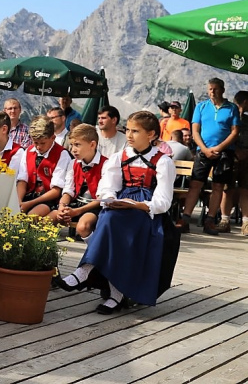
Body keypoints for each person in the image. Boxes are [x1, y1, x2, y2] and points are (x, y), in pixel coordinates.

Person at [57, 111, 178, 315]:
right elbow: (107, 187)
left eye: (135, 131)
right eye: (128, 130)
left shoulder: (163, 161)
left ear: (151, 135)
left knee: (115, 223)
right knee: (110, 218)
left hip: (147, 212)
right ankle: (104, 285)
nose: (129, 135)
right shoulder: (118, 157)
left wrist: (138, 205)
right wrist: (111, 199)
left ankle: (90, 275)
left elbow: (163, 201)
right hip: (121, 206)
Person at [177, 78, 240, 235]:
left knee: (218, 186)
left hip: (224, 152)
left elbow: (234, 131)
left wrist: (219, 148)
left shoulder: (232, 108)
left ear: (222, 90)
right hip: (203, 151)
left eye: (216, 89)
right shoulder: (201, 106)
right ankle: (185, 219)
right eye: (210, 89)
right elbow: (195, 130)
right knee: (195, 184)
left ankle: (210, 220)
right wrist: (204, 149)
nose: (212, 92)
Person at [16, 115, 73, 223]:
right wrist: (18, 201)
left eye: (42, 143)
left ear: (53, 138)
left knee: (31, 217)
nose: (38, 147)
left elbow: (56, 191)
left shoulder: (62, 154)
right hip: (29, 195)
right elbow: (23, 180)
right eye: (35, 142)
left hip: (48, 199)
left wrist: (29, 203)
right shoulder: (28, 151)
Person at [57, 124, 107, 240]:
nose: (73, 149)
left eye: (77, 145)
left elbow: (101, 198)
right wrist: (62, 207)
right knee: (49, 218)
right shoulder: (73, 163)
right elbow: (68, 190)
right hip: (77, 205)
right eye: (72, 145)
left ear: (92, 145)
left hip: (95, 206)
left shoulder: (106, 164)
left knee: (83, 226)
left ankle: (94, 251)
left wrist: (76, 211)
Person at [227, 91, 248, 236]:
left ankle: (245, 222)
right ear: (246, 102)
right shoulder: (229, 116)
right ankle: (224, 220)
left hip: (246, 157)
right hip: (230, 155)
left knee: (244, 189)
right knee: (227, 190)